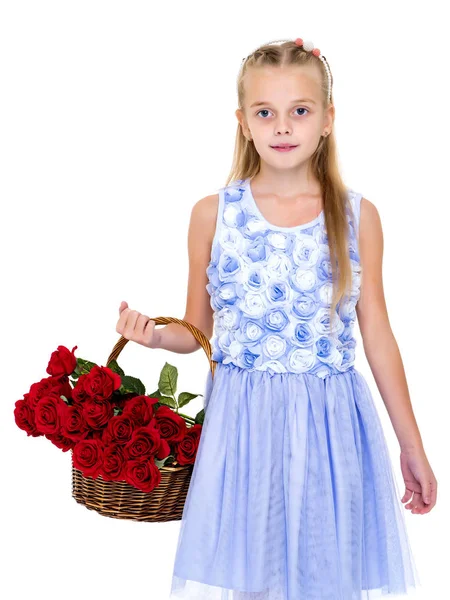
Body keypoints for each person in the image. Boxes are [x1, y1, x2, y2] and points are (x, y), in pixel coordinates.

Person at [116, 37, 437, 600]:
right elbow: (197, 330)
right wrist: (154, 337)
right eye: (265, 112)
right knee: (257, 581)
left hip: (331, 427)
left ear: (327, 120)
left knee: (327, 576)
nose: (282, 127)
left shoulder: (357, 217)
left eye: (300, 111)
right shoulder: (214, 214)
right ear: (243, 122)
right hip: (245, 428)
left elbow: (379, 336)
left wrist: (412, 445)